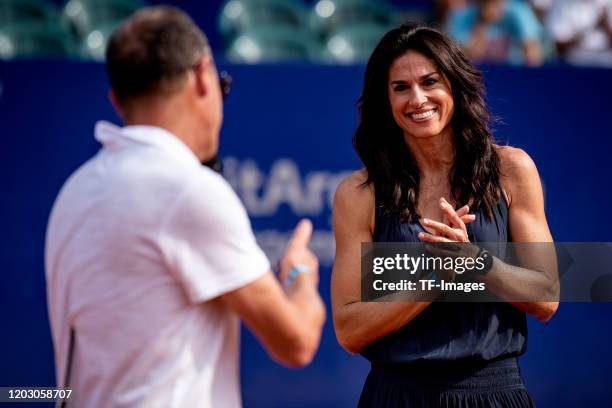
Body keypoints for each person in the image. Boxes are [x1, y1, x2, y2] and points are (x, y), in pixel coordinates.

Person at [45, 6, 325, 408]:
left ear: (116, 100)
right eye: (222, 84)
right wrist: (300, 273)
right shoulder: (188, 189)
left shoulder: (75, 190)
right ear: (202, 75)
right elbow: (296, 342)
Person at [331, 22, 559, 407]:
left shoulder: (513, 169)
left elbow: (548, 296)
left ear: (454, 83)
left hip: (493, 392)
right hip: (395, 396)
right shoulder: (358, 194)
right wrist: (433, 281)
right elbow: (349, 330)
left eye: (430, 81)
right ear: (384, 101)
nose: (417, 99)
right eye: (400, 87)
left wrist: (478, 265)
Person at [446, 0, 545, 66]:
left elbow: (532, 54)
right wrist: (482, 23)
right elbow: (466, 58)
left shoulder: (519, 12)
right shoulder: (461, 16)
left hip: (515, 76)